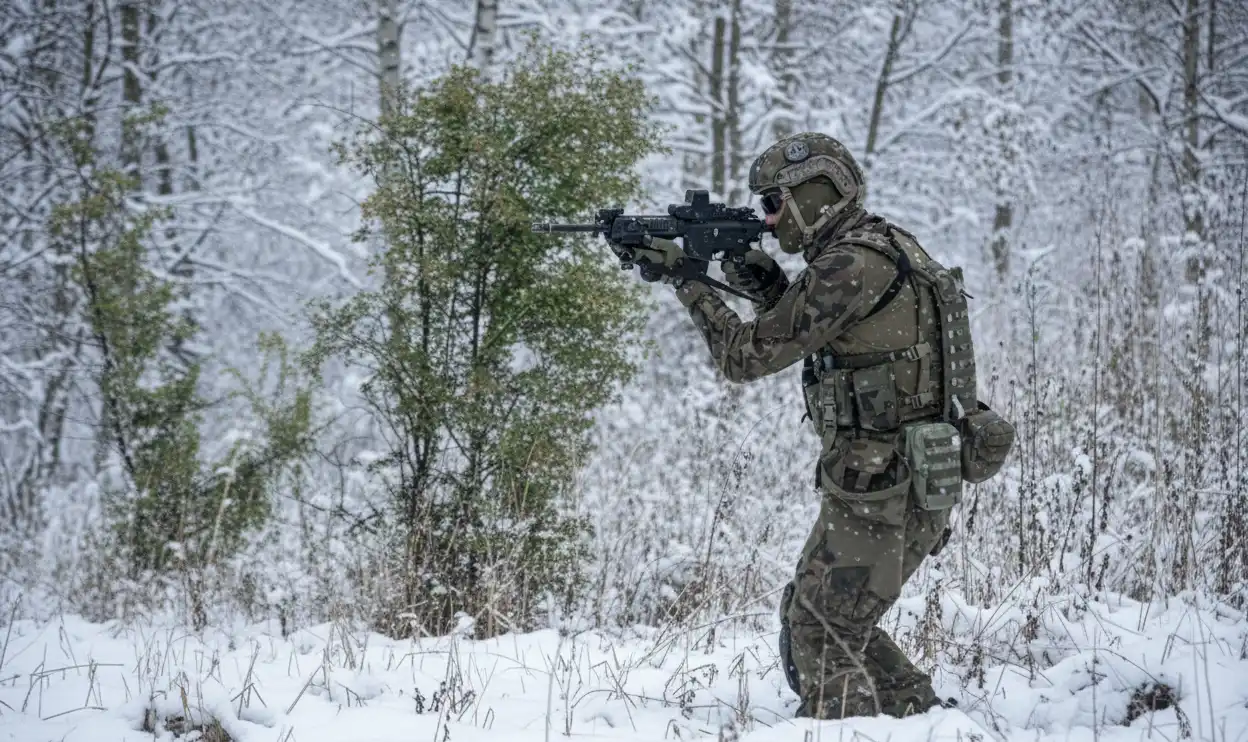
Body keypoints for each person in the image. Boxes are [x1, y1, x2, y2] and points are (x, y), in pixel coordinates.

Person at [632, 132, 1014, 719]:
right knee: (828, 617)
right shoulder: (885, 244)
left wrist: (688, 281)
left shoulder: (847, 265)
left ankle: (852, 728)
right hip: (913, 476)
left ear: (817, 194)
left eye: (775, 202)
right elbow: (833, 332)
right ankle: (922, 719)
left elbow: (743, 358)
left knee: (819, 628)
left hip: (881, 483)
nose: (769, 217)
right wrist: (762, 282)